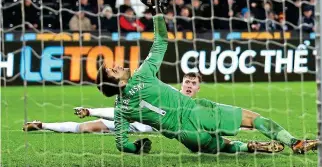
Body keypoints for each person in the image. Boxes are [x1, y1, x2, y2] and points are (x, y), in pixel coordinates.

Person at [96, 0, 318, 155]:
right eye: (114, 71)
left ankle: (248, 147)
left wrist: (138, 147)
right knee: (253, 119)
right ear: (120, 82)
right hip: (197, 114)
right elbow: (161, 40)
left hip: (187, 137)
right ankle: (295, 142)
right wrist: (157, 10)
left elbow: (121, 144)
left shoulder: (121, 110)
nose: (117, 66)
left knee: (224, 146)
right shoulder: (142, 75)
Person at [22, 73, 203, 134]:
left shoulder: (195, 109)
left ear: (198, 88)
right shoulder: (168, 93)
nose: (189, 85)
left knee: (88, 129)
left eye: (193, 83)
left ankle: (43, 125)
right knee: (85, 127)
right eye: (187, 82)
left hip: (141, 126)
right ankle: (41, 124)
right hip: (136, 119)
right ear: (182, 84)